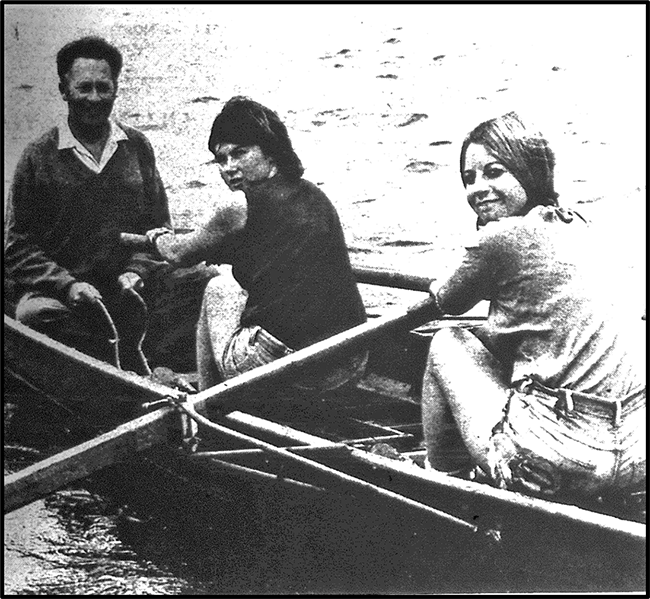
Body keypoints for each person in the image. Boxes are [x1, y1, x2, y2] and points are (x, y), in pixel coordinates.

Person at [421, 112, 645, 503]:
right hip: (637, 454)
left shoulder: (499, 237)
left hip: (553, 461)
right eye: (469, 179)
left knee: (446, 340)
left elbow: (445, 300)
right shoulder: (583, 225)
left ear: (528, 172)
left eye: (494, 172)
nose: (478, 189)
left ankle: (442, 481)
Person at [4, 36, 214, 373]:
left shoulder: (137, 146)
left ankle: (160, 369)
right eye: (84, 88)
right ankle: (115, 374)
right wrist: (67, 285)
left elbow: (159, 228)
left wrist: (137, 270)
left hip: (128, 285)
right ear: (63, 90)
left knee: (207, 281)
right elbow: (16, 247)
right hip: (65, 292)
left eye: (104, 87)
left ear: (116, 88)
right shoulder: (37, 157)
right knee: (33, 316)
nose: (94, 98)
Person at [142, 96, 368, 393]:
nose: (228, 168)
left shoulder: (238, 209)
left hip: (288, 370)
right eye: (221, 159)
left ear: (272, 153)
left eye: (240, 153)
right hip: (351, 360)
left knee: (218, 288)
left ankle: (210, 403)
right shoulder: (313, 195)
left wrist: (155, 236)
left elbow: (177, 253)